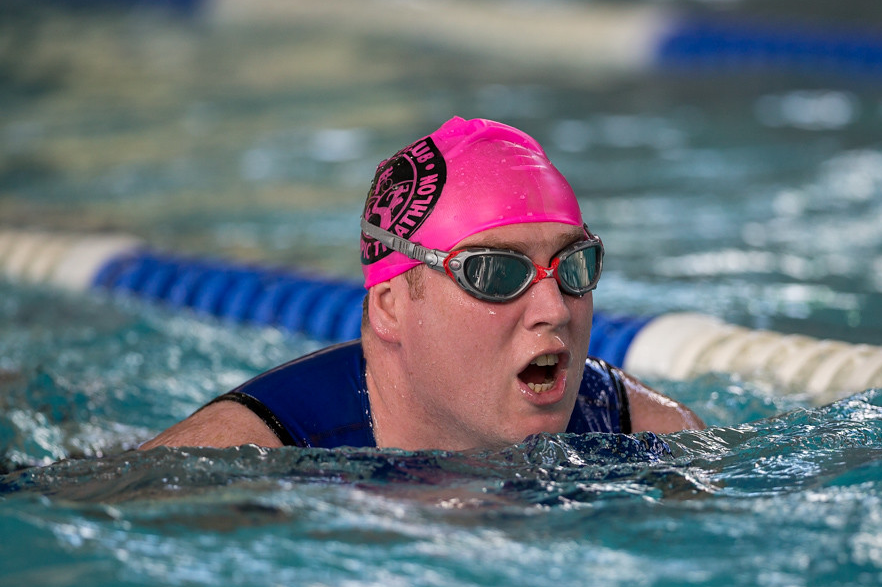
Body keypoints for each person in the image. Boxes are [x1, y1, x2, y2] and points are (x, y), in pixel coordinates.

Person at [140, 117, 704, 452]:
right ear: (389, 307)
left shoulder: (639, 432)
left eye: (574, 266)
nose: (554, 309)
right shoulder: (246, 457)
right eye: (494, 273)